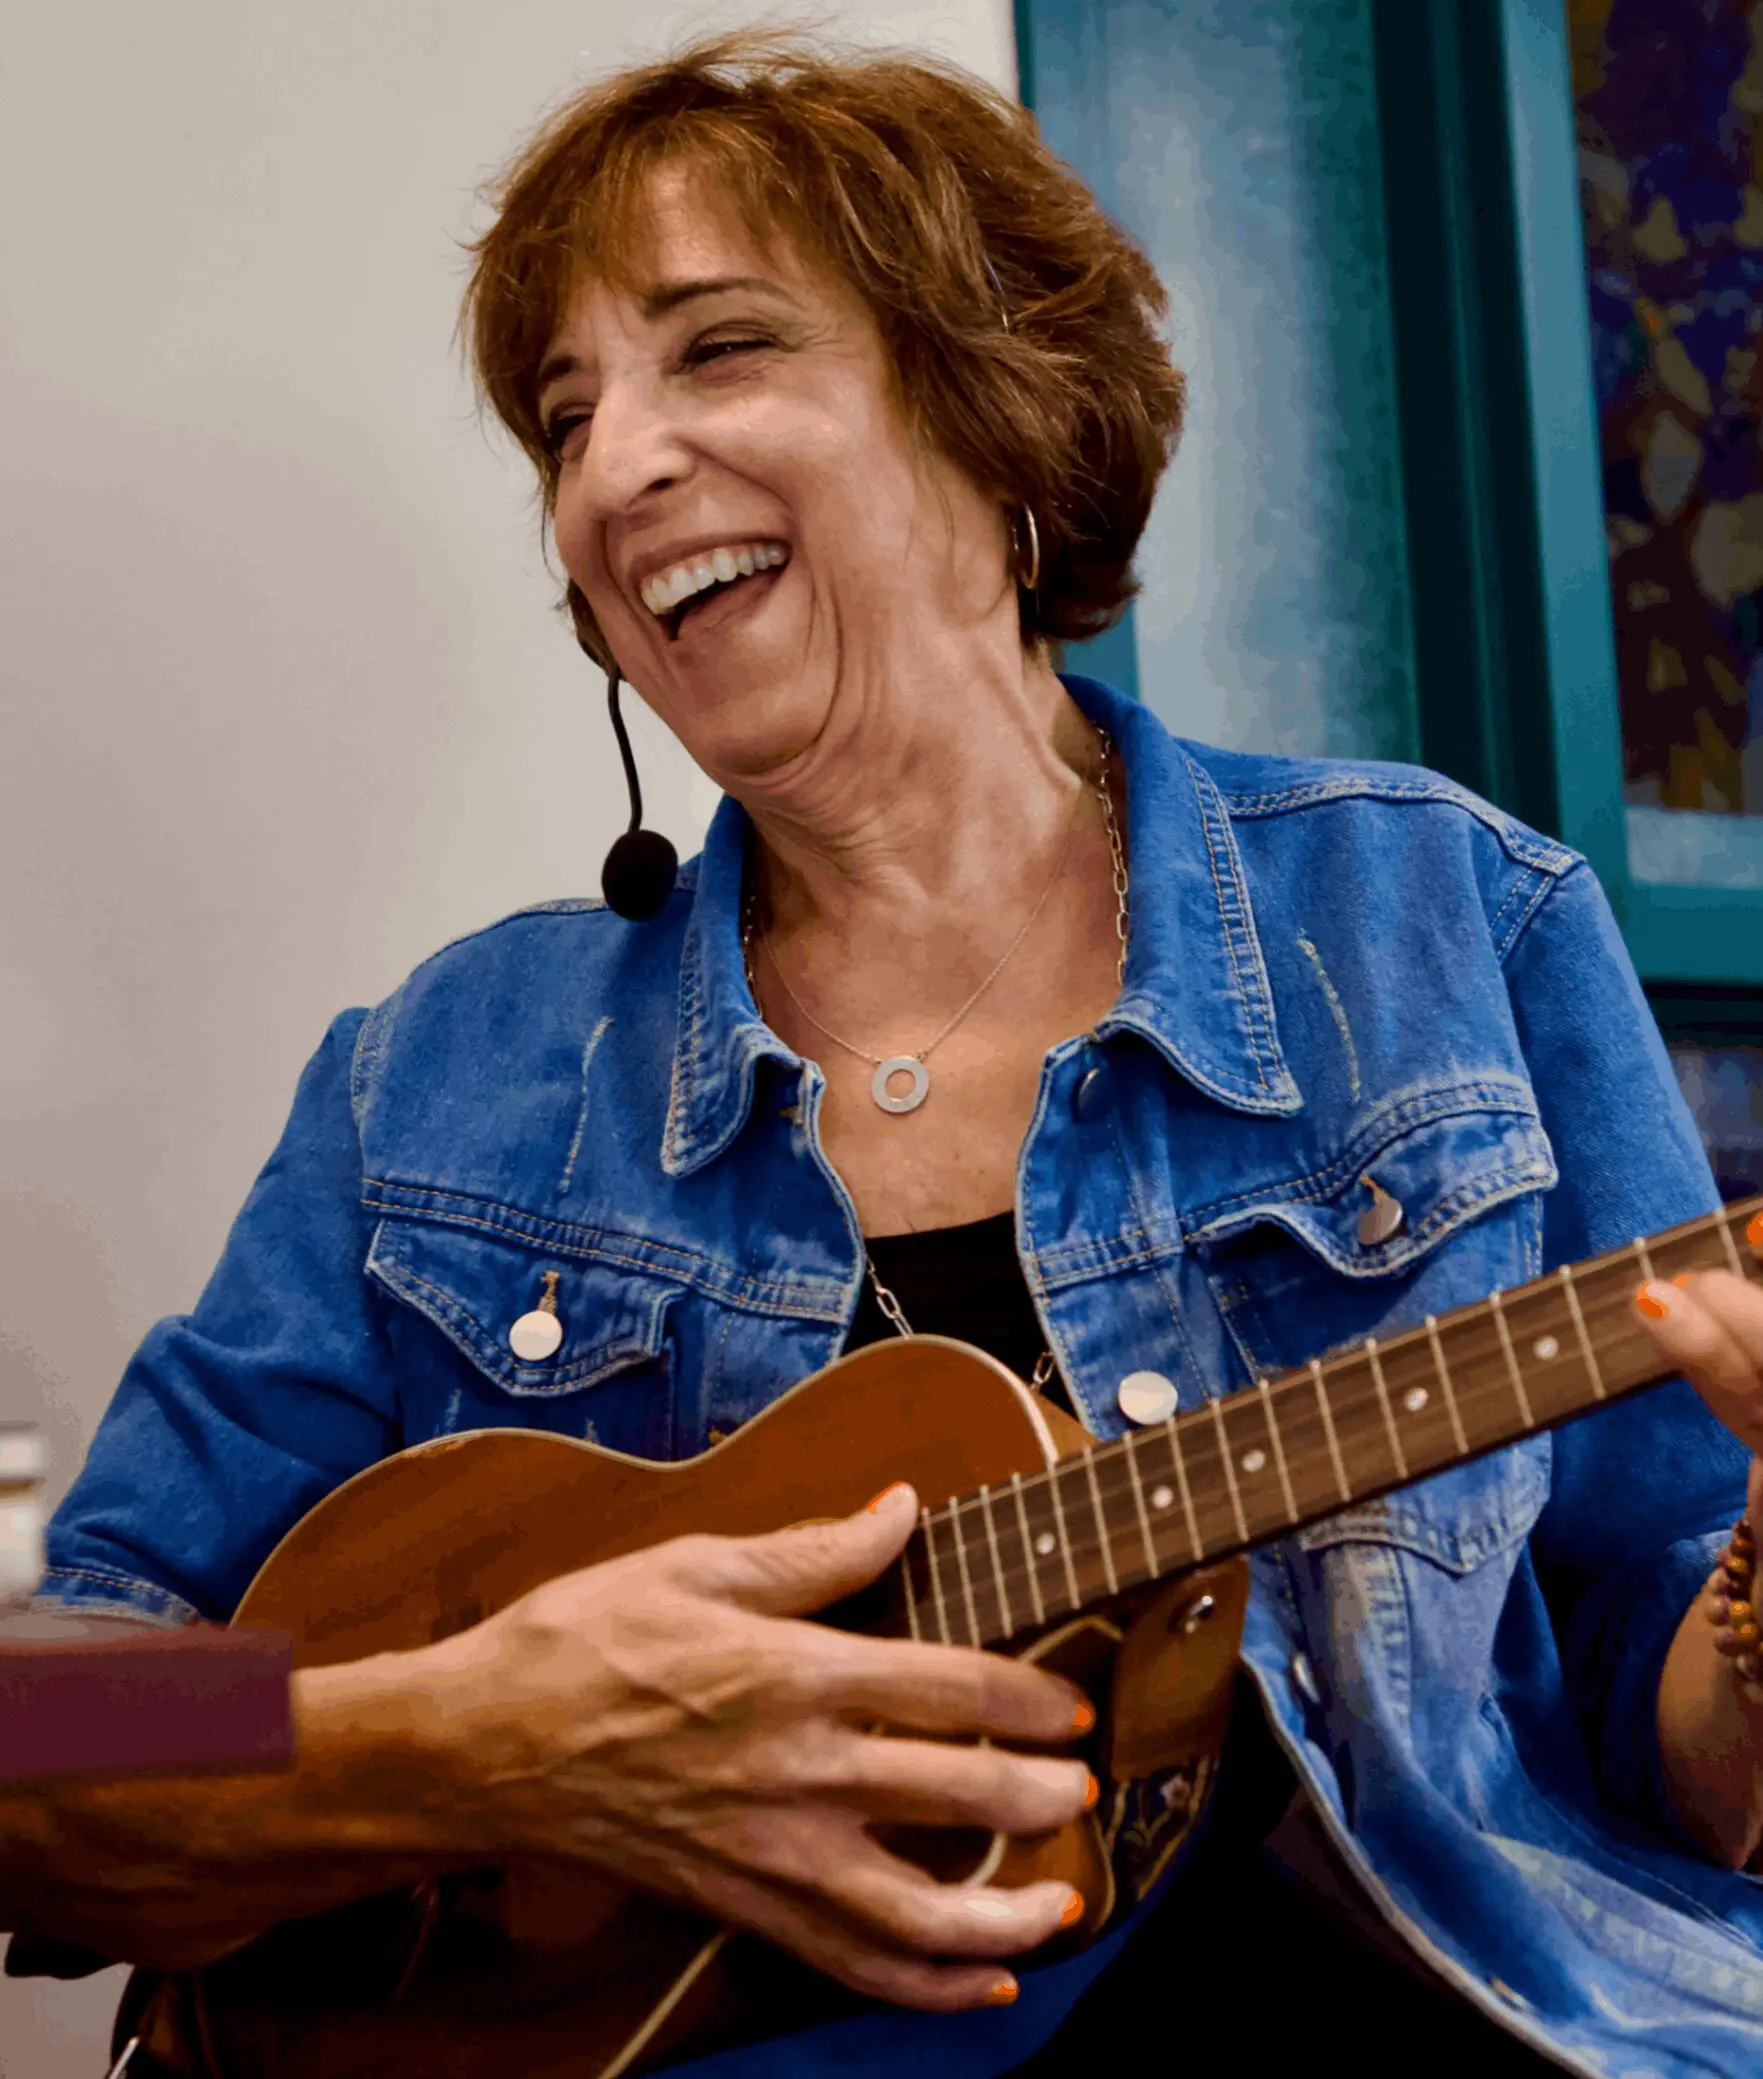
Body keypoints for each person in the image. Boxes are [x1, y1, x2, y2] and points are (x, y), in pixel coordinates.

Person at [8, 30, 1763, 2078]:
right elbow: (50, 1726)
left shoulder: (1446, 919)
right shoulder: (436, 1082)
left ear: (994, 408)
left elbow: (1653, 1739)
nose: (612, 469)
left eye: (717, 348)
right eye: (565, 417)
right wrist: (465, 1739)